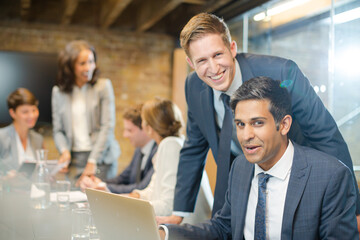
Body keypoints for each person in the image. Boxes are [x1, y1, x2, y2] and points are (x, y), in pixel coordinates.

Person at [162, 12, 360, 224]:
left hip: (297, 176)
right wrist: (178, 214)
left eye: (218, 55)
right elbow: (193, 148)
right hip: (242, 179)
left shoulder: (282, 73)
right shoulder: (193, 86)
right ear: (191, 63)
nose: (213, 68)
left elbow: (325, 134)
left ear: (232, 49)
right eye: (201, 60)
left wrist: (353, 209)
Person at [160, 76, 358, 239]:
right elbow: (223, 227)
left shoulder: (330, 176)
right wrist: (165, 233)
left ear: (285, 125)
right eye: (240, 124)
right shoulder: (240, 167)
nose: (246, 136)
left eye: (257, 123)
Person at [52, 40, 120, 181]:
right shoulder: (58, 92)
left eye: (91, 61)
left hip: (101, 159)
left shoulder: (103, 86)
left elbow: (107, 126)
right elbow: (58, 130)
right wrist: (64, 151)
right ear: (70, 67)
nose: (88, 67)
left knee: (100, 202)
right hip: (74, 160)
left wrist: (93, 160)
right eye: (82, 63)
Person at [79, 104, 157, 193]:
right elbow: (123, 178)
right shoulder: (139, 150)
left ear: (145, 128)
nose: (125, 135)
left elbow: (143, 187)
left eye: (129, 130)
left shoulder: (158, 151)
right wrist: (98, 183)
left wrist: (103, 187)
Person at [127, 98, 184, 216]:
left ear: (149, 126)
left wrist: (128, 207)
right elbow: (153, 190)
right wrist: (135, 196)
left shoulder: (170, 146)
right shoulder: (171, 143)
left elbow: (168, 206)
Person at [0, 88, 43, 175]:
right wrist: (5, 179)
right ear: (12, 113)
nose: (31, 116)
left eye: (34, 110)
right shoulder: (1, 137)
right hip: (7, 188)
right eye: (25, 112)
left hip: (32, 188)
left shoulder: (38, 139)